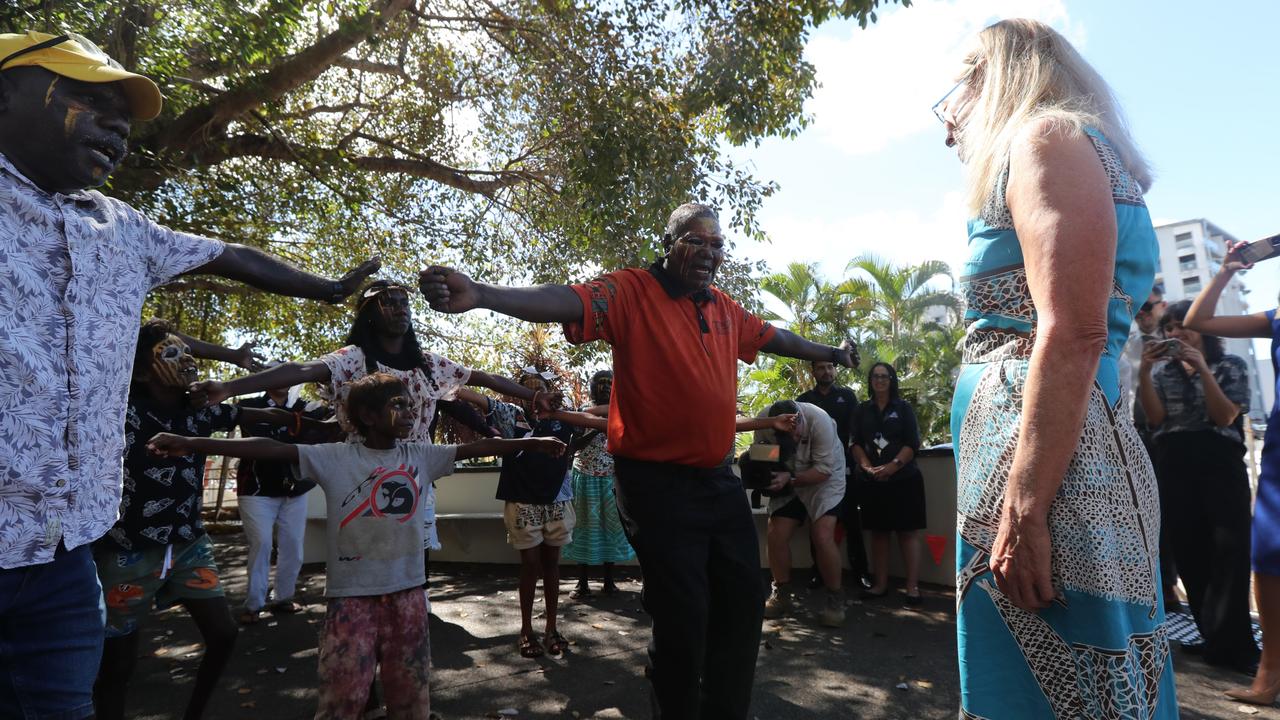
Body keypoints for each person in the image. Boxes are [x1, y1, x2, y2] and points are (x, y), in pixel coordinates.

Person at [0, 30, 377, 718]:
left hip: (63, 556)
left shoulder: (124, 228)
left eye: (125, 116)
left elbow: (229, 254)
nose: (117, 125)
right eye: (88, 99)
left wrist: (326, 290)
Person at [419, 202, 857, 719]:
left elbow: (774, 337)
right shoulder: (630, 291)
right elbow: (567, 300)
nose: (709, 253)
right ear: (669, 242)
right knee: (685, 614)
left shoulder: (722, 307)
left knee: (741, 604)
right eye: (696, 240)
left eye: (718, 245)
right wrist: (484, 294)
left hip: (717, 479)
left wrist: (827, 350)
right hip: (654, 483)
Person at [939, 19, 1177, 717]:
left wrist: (1024, 510)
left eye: (958, 91)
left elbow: (1073, 332)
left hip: (1058, 481)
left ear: (993, 77)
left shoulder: (1047, 140)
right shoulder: (1053, 146)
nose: (950, 120)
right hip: (1047, 472)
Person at [147, 372, 568, 719]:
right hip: (351, 601)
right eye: (399, 404)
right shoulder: (335, 457)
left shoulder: (419, 454)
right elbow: (270, 447)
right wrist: (193, 443)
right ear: (366, 415)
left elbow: (480, 446)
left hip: (408, 596)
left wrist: (534, 442)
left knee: (411, 699)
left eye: (411, 403)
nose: (411, 411)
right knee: (342, 698)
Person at [92, 322, 331, 720]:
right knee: (117, 665)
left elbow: (261, 414)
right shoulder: (118, 406)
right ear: (142, 370)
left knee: (223, 635)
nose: (186, 359)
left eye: (188, 352)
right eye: (171, 353)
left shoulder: (201, 411)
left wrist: (322, 427)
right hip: (126, 549)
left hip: (188, 543)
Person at [1139, 300, 1257, 674]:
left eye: (1183, 326)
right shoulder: (1161, 373)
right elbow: (1156, 418)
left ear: (1204, 329)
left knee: (1231, 551)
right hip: (1175, 461)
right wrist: (1144, 371)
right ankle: (1212, 638)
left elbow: (1224, 415)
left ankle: (1236, 644)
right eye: (1169, 328)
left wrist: (1202, 367)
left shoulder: (1230, 366)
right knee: (1190, 550)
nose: (1176, 334)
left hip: (1221, 461)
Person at [1184, 246, 1280, 702]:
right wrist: (1225, 272)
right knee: (1267, 557)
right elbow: (1198, 322)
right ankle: (1271, 673)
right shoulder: (1275, 317)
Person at [234, 377, 331, 625]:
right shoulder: (249, 405)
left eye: (289, 376)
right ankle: (254, 604)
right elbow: (264, 436)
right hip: (256, 490)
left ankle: (283, 597)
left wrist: (331, 395)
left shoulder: (307, 407)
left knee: (294, 547)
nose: (283, 380)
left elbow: (333, 422)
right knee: (262, 544)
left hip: (295, 490)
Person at [757, 400, 847, 627]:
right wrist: (768, 473)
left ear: (801, 420)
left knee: (822, 536)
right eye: (787, 437)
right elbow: (760, 453)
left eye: (796, 436)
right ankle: (781, 595)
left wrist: (792, 479)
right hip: (787, 474)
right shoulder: (763, 420)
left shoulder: (820, 420)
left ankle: (835, 599)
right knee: (776, 533)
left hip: (824, 477)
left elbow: (824, 470)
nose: (794, 442)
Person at [1120, 286, 1180, 607]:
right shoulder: (1128, 344)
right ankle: (1158, 584)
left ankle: (1171, 584)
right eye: (1138, 309)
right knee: (1146, 512)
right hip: (1137, 432)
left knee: (1173, 510)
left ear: (1162, 306)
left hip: (1175, 434)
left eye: (1149, 307)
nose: (1143, 315)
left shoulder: (1180, 341)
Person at [851, 363, 926, 608]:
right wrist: (867, 467)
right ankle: (880, 585)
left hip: (904, 480)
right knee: (879, 534)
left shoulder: (903, 408)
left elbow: (912, 443)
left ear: (892, 380)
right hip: (873, 481)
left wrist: (892, 466)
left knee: (907, 533)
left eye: (884, 376)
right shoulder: (862, 410)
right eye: (875, 376)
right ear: (870, 381)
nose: (880, 380)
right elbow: (855, 443)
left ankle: (912, 588)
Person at [562, 370, 635, 599]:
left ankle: (608, 581)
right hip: (585, 477)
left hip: (611, 479)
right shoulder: (582, 412)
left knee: (611, 529)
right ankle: (582, 582)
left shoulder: (622, 411)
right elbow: (573, 447)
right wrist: (596, 427)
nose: (604, 388)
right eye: (600, 384)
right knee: (584, 528)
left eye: (609, 384)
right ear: (591, 387)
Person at [796, 359, 870, 588]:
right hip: (815, 472)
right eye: (821, 367)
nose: (826, 371)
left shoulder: (847, 397)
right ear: (813, 371)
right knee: (817, 523)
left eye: (830, 367)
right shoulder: (804, 401)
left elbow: (857, 434)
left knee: (852, 523)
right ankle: (818, 571)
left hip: (845, 470)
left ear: (835, 370)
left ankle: (861, 574)